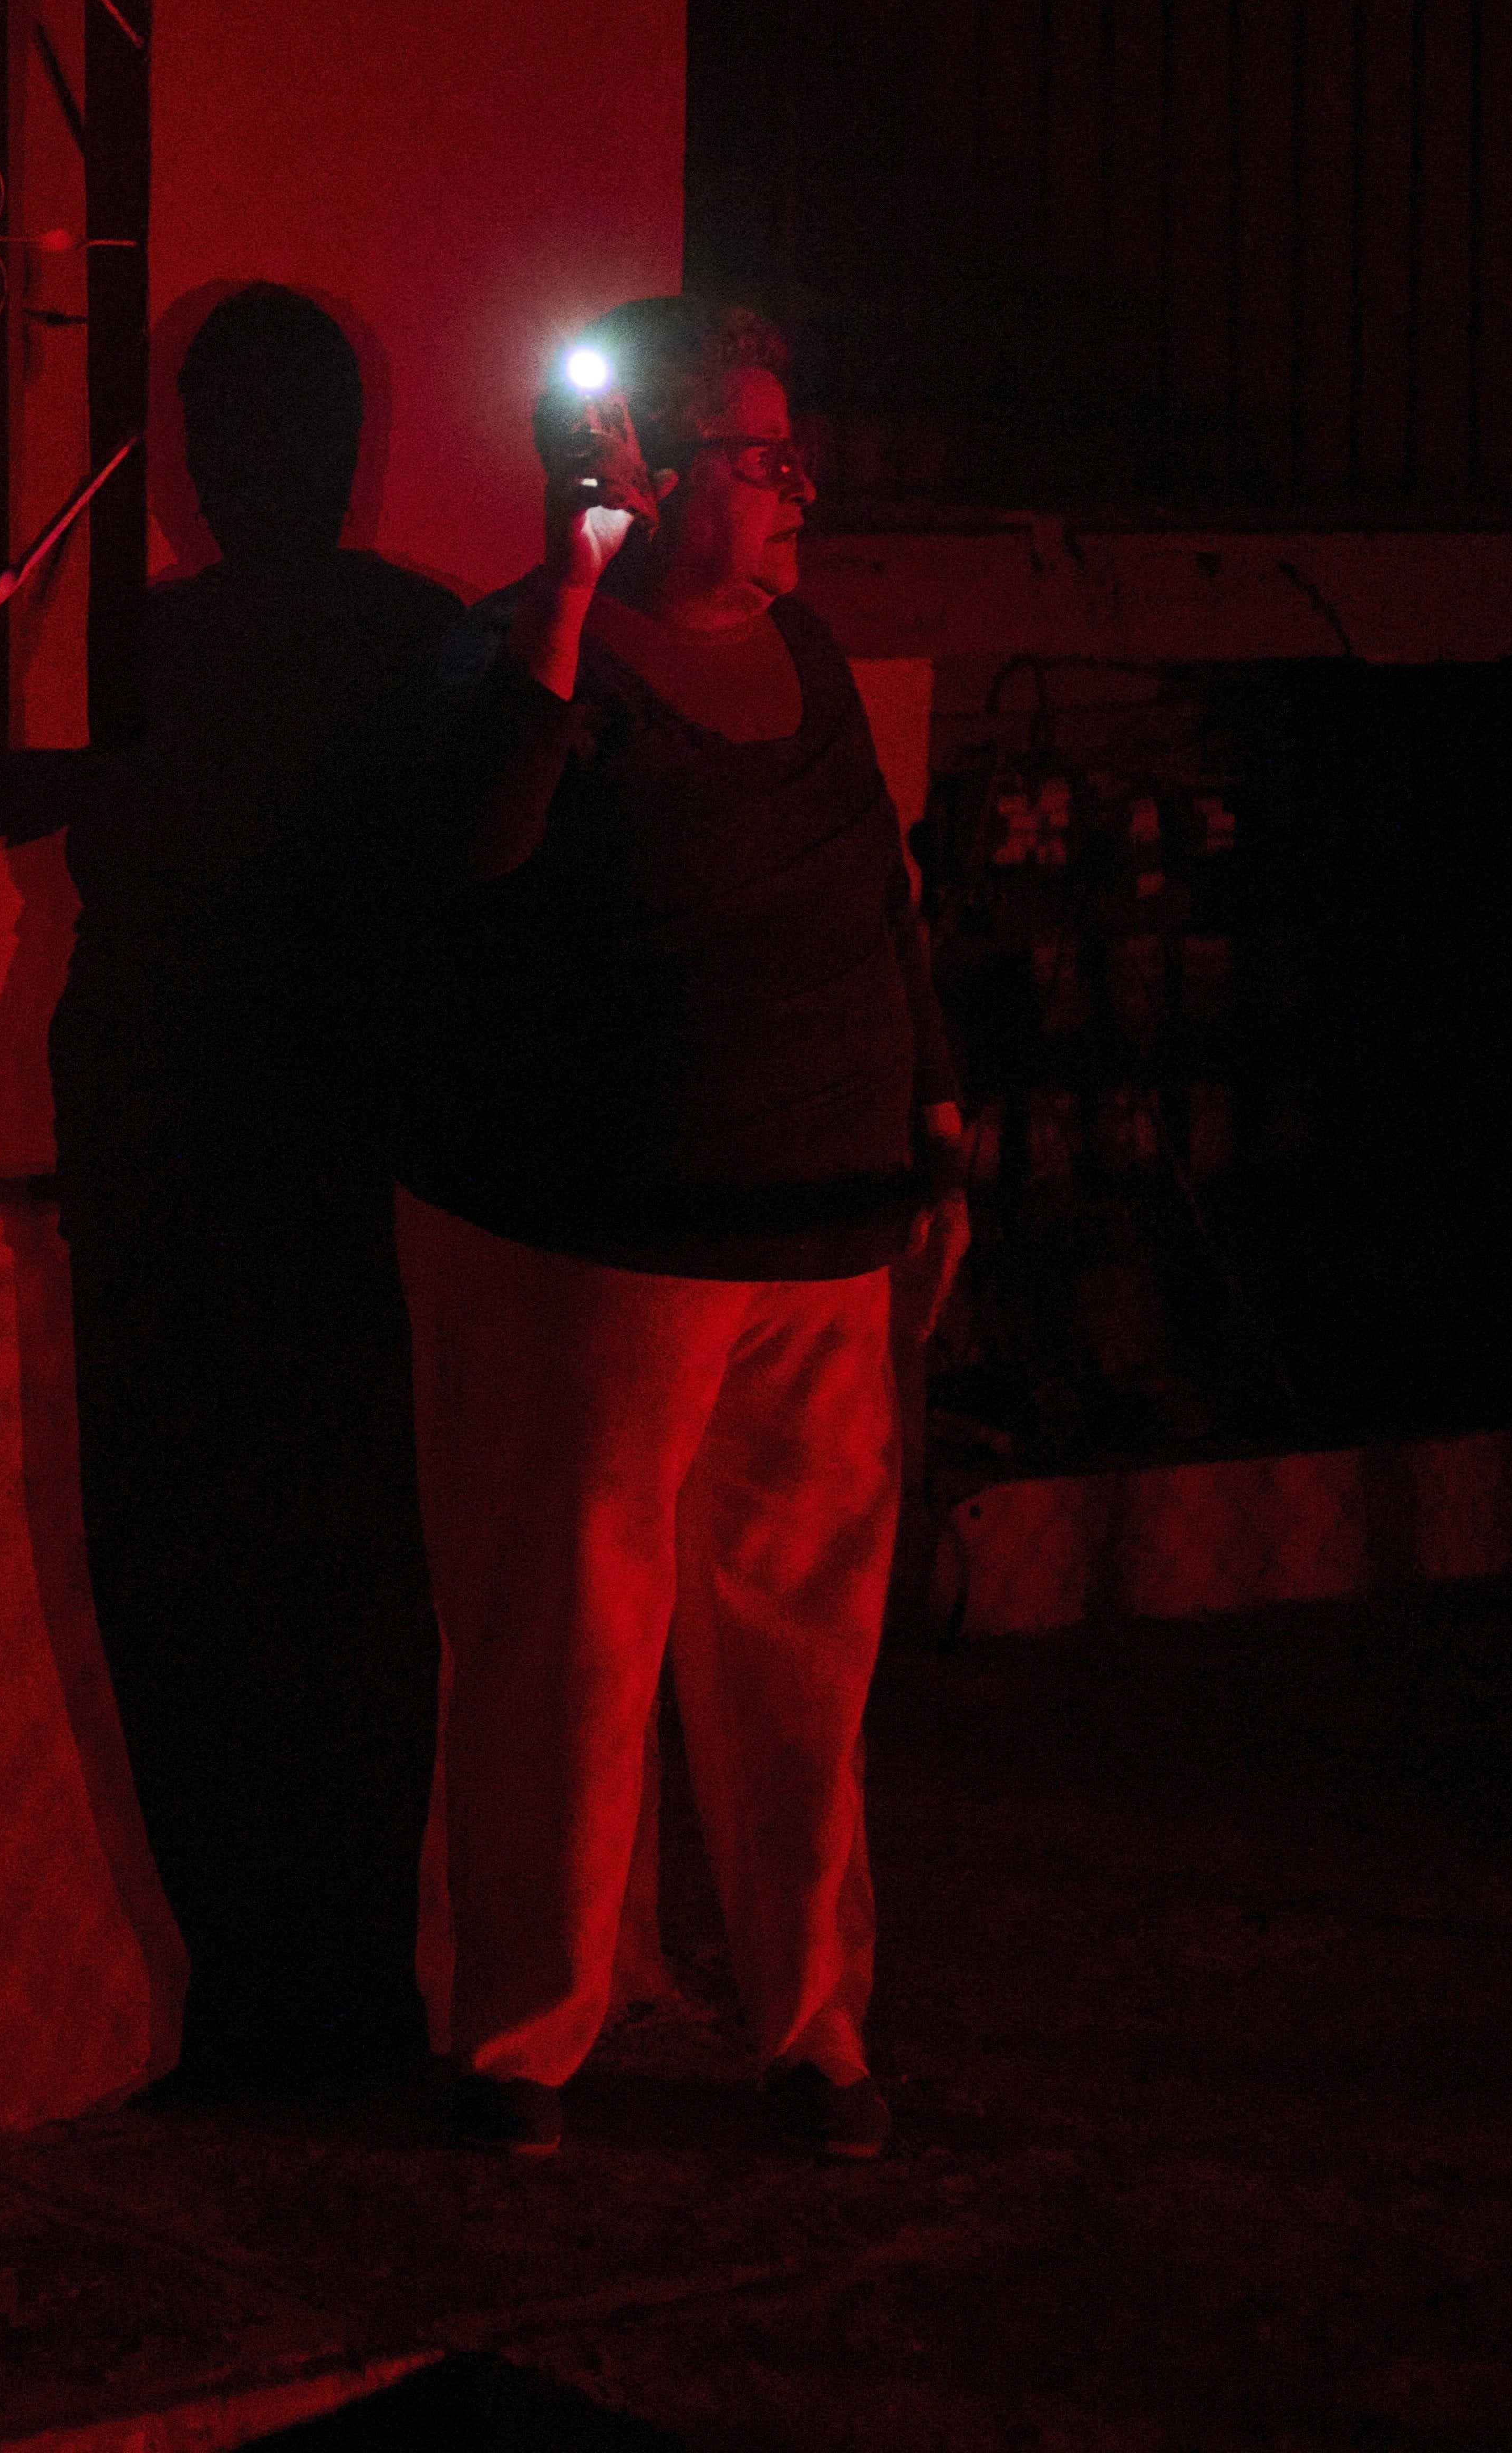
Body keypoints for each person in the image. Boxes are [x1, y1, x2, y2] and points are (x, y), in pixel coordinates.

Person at [393, 296, 967, 2161]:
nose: (798, 485)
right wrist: (567, 590)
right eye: (756, 453)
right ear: (640, 465)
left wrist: (933, 1123)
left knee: (803, 1652)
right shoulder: (525, 652)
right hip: (610, 1245)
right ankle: (523, 2041)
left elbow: (882, 896)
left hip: (820, 1233)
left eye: (793, 449)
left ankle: (808, 2025)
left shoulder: (803, 649)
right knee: (573, 1640)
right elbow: (471, 851)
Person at [0, 283, 458, 2105]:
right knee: (355, 1595)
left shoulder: (152, 655)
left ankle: (260, 2011)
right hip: (353, 1180)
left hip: (178, 1178)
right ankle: (347, 2005)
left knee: (195, 1600)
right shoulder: (414, 642)